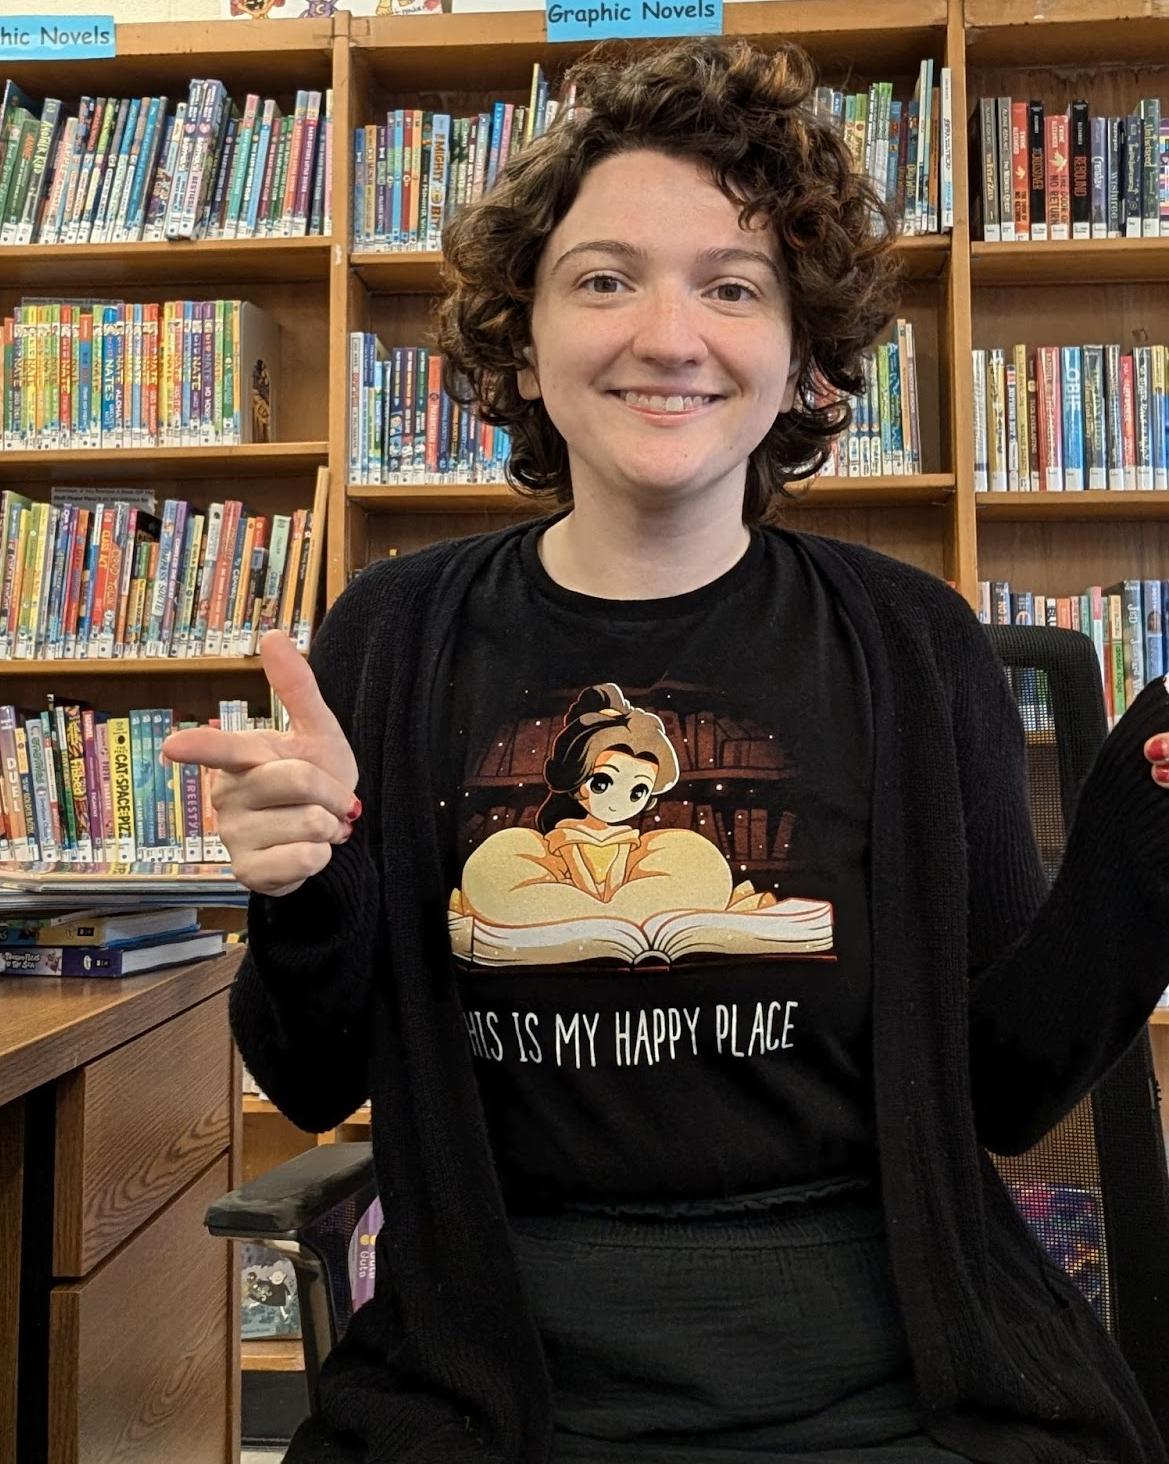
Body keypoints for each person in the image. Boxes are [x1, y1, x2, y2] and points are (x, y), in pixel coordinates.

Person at [162, 34, 1169, 1464]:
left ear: (804, 356)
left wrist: (1153, 822)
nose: (668, 334)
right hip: (492, 1361)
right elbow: (309, 1073)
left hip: (890, 1357)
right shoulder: (393, 634)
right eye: (605, 277)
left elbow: (1001, 1087)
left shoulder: (910, 641)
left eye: (733, 285)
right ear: (520, 328)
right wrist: (303, 888)